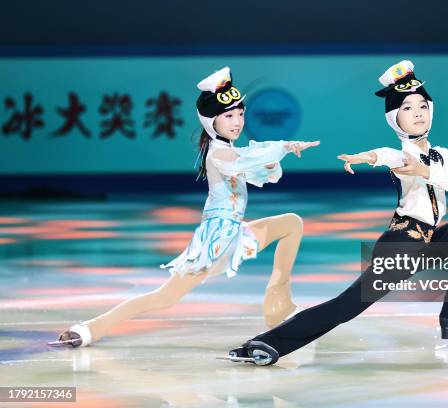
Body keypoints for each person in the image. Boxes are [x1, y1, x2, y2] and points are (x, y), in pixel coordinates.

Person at [223, 60, 448, 366]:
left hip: (428, 241)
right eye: (407, 108)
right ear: (395, 119)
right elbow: (386, 155)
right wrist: (369, 157)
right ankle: (265, 344)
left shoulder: (441, 155)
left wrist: (426, 170)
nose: (418, 112)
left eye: (422, 105)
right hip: (402, 245)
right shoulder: (402, 155)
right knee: (347, 306)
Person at [49, 67, 319, 348]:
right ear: (211, 121)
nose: (237, 121)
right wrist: (283, 146)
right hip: (214, 242)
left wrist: (274, 157)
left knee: (291, 224)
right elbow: (241, 162)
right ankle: (91, 328)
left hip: (236, 233)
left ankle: (278, 305)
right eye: (229, 116)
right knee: (163, 298)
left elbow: (257, 170)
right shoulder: (219, 152)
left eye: (240, 114)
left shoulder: (230, 149)